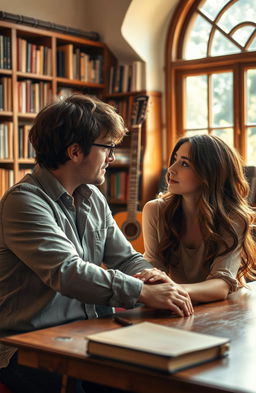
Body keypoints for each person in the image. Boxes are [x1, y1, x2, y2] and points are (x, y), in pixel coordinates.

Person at [0, 94, 193, 393]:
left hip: (91, 333)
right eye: (108, 148)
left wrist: (156, 278)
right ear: (75, 151)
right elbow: (68, 272)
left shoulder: (92, 196)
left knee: (168, 379)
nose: (113, 158)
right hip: (29, 345)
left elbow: (127, 259)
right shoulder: (23, 202)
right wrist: (142, 292)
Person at [136, 134, 256, 304]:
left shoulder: (233, 218)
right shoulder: (155, 210)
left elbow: (221, 285)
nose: (171, 169)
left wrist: (173, 289)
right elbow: (154, 267)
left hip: (225, 310)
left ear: (209, 173)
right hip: (176, 305)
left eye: (184, 163)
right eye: (175, 159)